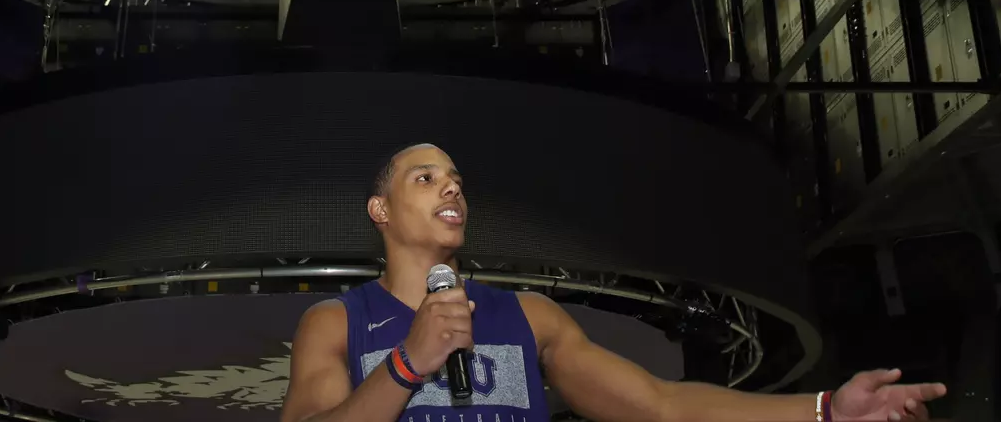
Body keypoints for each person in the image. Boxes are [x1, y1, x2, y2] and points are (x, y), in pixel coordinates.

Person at [281, 144, 947, 422]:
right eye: (424, 178)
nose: (451, 185)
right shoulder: (337, 323)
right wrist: (405, 364)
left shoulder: (529, 318)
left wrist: (826, 409)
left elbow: (664, 406)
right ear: (381, 212)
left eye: (455, 179)